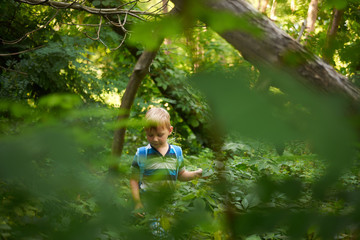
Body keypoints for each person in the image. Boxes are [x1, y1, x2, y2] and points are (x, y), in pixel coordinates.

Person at [130, 107, 203, 216]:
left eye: (159, 135)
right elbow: (134, 180)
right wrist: (137, 202)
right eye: (150, 135)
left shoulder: (176, 152)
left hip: (169, 205)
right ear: (145, 130)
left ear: (169, 130)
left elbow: (181, 175)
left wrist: (196, 174)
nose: (155, 139)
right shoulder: (142, 153)